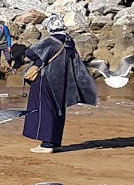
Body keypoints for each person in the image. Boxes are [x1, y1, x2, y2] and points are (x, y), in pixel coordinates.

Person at [22, 16, 98, 153]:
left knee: (44, 108)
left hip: (46, 78)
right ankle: (55, 141)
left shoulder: (51, 40)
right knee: (58, 109)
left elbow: (30, 53)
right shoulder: (69, 41)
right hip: (62, 80)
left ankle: (47, 144)